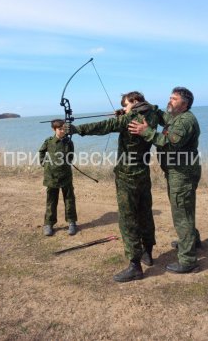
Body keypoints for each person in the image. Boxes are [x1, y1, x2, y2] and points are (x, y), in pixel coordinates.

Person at [70, 91, 160, 282]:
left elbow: (105, 125)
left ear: (135, 102)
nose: (124, 107)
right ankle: (148, 253)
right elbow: (142, 112)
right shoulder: (153, 113)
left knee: (128, 219)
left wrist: (76, 129)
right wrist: (125, 112)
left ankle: (135, 266)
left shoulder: (131, 119)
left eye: (126, 104)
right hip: (143, 173)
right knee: (145, 213)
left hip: (127, 176)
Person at [128, 87, 201, 274]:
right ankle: (192, 241)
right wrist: (141, 108)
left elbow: (170, 142)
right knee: (185, 208)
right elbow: (161, 116)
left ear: (184, 104)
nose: (170, 100)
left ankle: (187, 260)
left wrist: (146, 131)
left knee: (182, 214)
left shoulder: (185, 121)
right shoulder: (175, 116)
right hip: (177, 172)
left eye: (174, 99)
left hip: (182, 174)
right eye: (170, 97)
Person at [39, 119, 78, 236]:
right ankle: (49, 224)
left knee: (69, 199)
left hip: (66, 176)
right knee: (51, 200)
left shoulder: (69, 142)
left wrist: (66, 163)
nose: (62, 131)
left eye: (64, 129)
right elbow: (41, 152)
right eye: (60, 129)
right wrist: (44, 163)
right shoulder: (49, 141)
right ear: (54, 129)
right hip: (51, 176)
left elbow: (71, 155)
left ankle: (72, 223)